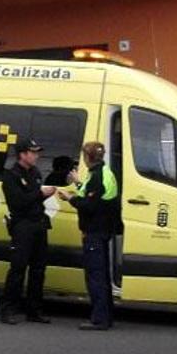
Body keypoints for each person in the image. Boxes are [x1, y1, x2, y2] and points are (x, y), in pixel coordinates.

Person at [58, 141, 119, 331]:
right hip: (103, 230)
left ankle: (99, 319)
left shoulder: (97, 177)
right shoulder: (104, 173)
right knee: (102, 276)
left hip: (95, 232)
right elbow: (92, 195)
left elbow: (88, 205)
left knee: (96, 277)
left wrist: (70, 198)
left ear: (87, 158)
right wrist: (77, 183)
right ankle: (106, 316)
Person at [0, 138, 56, 325]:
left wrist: (43, 195)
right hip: (22, 226)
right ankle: (8, 309)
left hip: (39, 225)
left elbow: (33, 198)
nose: (36, 155)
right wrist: (40, 194)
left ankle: (34, 310)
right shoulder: (11, 176)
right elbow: (18, 202)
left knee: (38, 270)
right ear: (22, 154)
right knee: (17, 269)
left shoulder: (35, 172)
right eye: (33, 152)